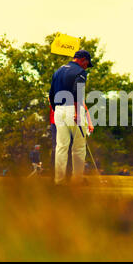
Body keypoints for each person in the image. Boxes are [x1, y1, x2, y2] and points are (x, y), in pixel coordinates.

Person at [49, 50, 94, 185]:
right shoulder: (81, 72)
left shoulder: (58, 71)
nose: (86, 66)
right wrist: (76, 112)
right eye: (87, 63)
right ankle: (77, 181)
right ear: (83, 60)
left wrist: (56, 108)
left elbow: (51, 94)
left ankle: (59, 181)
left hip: (58, 110)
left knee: (61, 147)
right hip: (73, 110)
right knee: (79, 148)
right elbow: (78, 92)